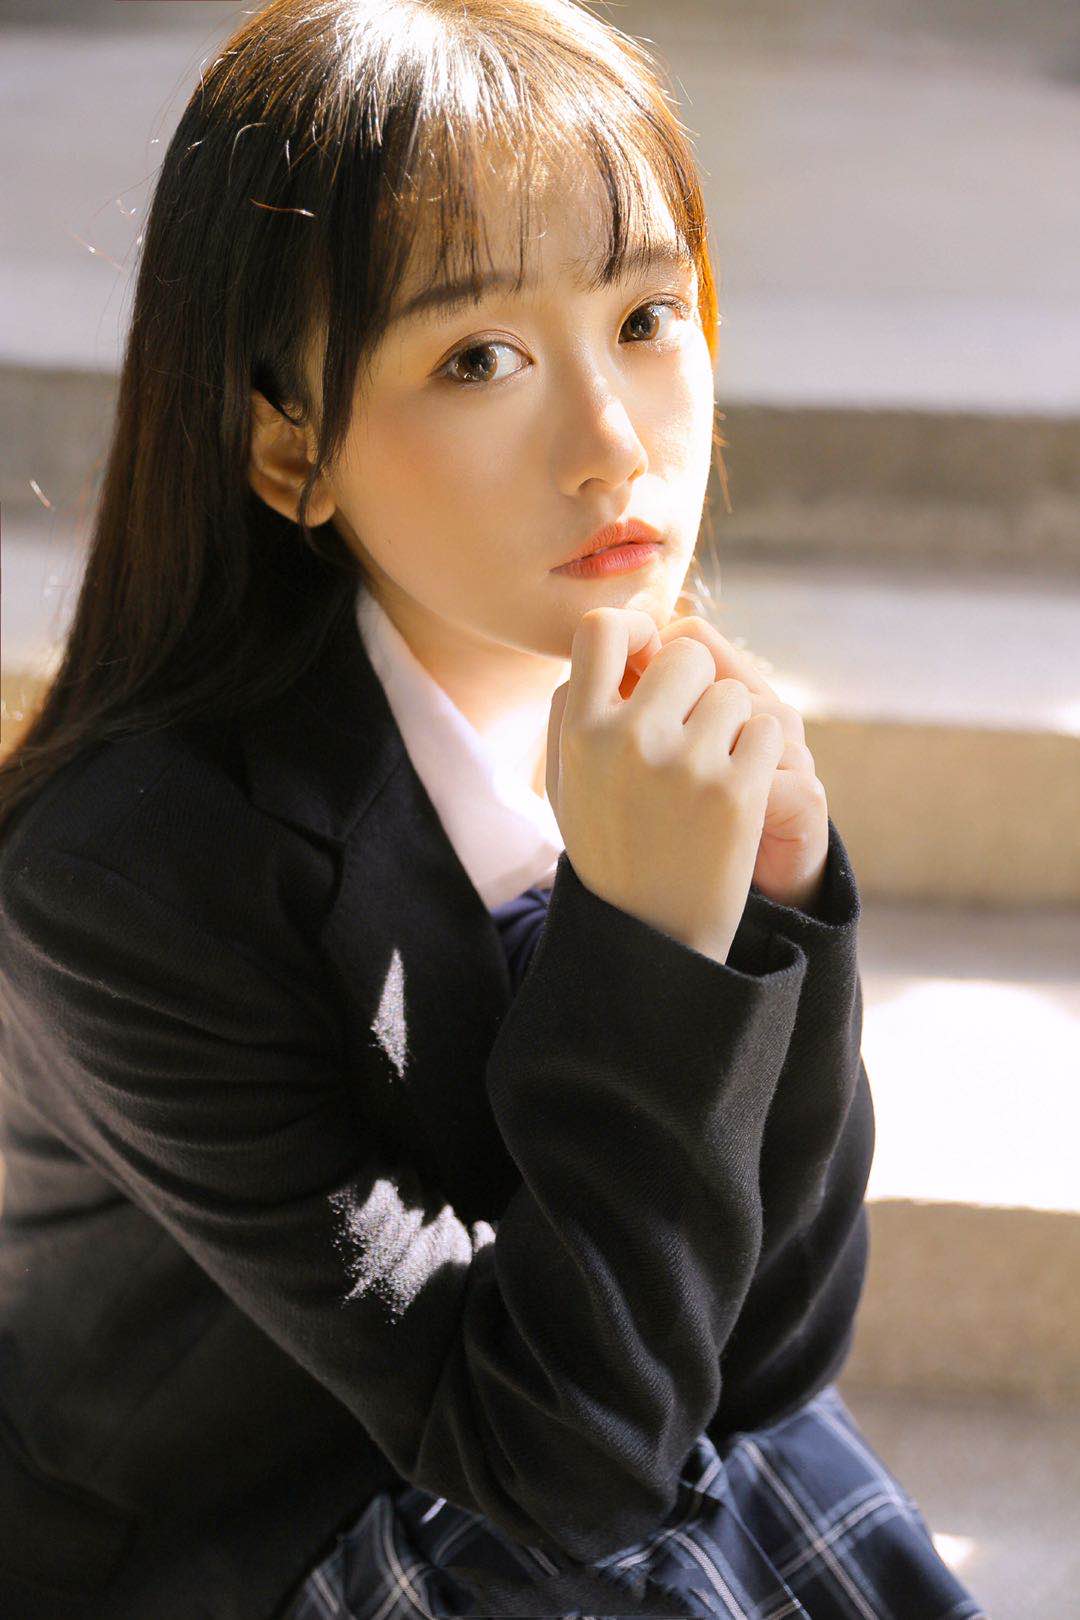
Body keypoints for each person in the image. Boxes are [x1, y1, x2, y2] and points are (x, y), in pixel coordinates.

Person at [0, 2, 989, 1616]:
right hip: (254, 1549)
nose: (616, 445)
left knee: (766, 1470)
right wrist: (648, 945)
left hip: (540, 1452)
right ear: (288, 445)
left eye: (648, 316)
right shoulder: (127, 875)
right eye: (480, 358)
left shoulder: (634, 739)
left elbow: (770, 1362)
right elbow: (562, 1472)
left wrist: (775, 909)